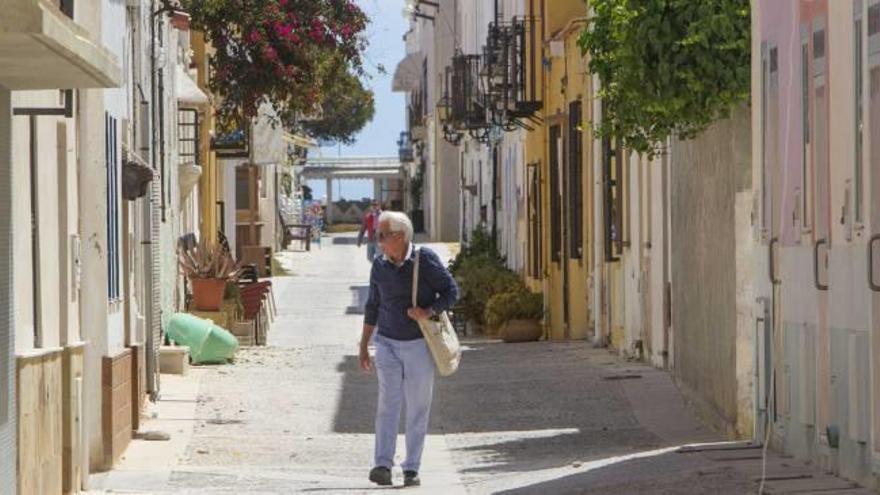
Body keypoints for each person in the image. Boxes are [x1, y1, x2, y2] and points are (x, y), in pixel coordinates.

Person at [359, 211, 459, 488]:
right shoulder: (379, 266)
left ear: (400, 236)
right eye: (376, 235)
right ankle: (382, 464)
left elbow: (451, 291)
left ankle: (411, 468)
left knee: (417, 407)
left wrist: (428, 311)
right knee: (387, 405)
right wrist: (364, 345)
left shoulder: (423, 260)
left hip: (419, 345)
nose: (377, 241)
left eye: (382, 235)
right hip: (387, 343)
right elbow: (372, 305)